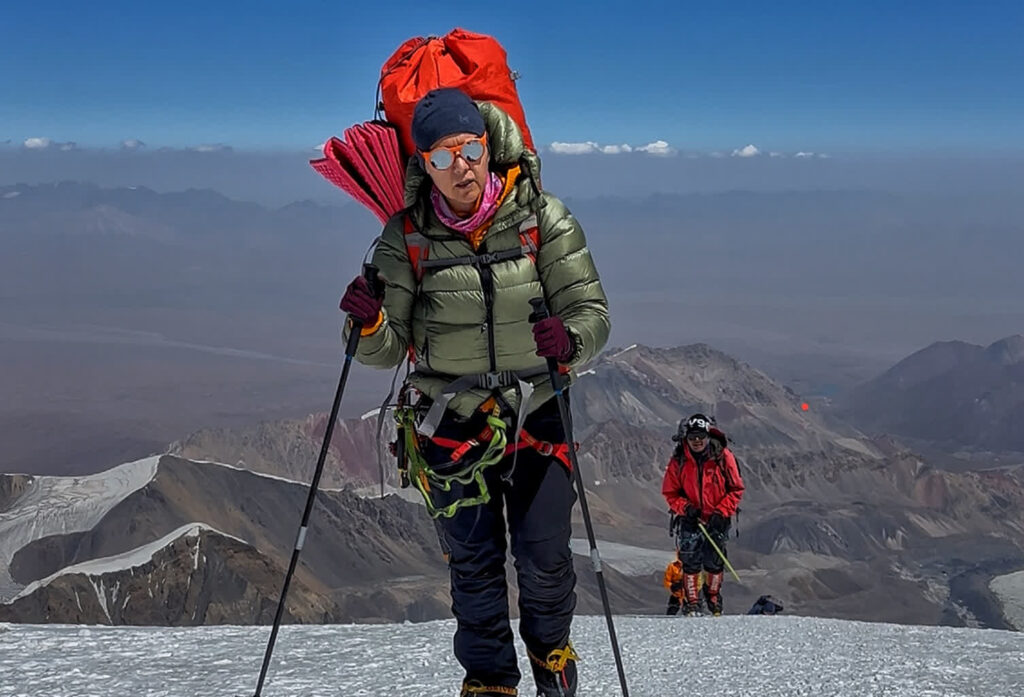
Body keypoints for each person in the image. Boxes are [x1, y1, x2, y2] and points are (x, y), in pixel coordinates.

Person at [340, 87, 610, 697]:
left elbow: (592, 313)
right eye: (441, 156)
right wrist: (369, 323)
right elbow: (385, 354)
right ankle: (489, 680)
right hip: (451, 424)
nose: (459, 166)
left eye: (469, 149)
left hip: (536, 414)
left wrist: (568, 341)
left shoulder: (543, 219)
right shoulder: (405, 237)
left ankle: (551, 658)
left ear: (488, 145)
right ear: (424, 167)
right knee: (475, 569)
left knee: (543, 560)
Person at [661, 413, 744, 616]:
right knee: (689, 561)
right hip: (690, 519)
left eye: (700, 436)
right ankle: (692, 602)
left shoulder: (723, 457)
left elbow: (736, 489)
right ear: (686, 439)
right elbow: (670, 492)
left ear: (708, 436)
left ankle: (713, 596)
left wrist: (721, 511)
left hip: (718, 518)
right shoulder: (679, 461)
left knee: (715, 561)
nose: (696, 441)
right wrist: (686, 508)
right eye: (692, 437)